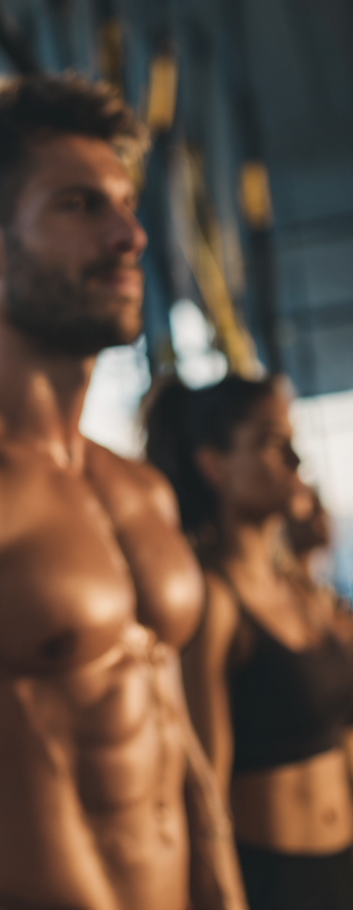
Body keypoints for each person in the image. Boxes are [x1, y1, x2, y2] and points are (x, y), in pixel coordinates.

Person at [0, 76, 247, 910]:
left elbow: (175, 724)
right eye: (80, 206)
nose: (131, 235)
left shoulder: (140, 489)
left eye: (124, 204)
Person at [148, 375, 353, 910]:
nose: (295, 460)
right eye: (269, 441)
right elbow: (205, 780)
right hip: (274, 880)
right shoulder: (215, 599)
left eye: (292, 440)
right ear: (213, 464)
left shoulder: (303, 595)